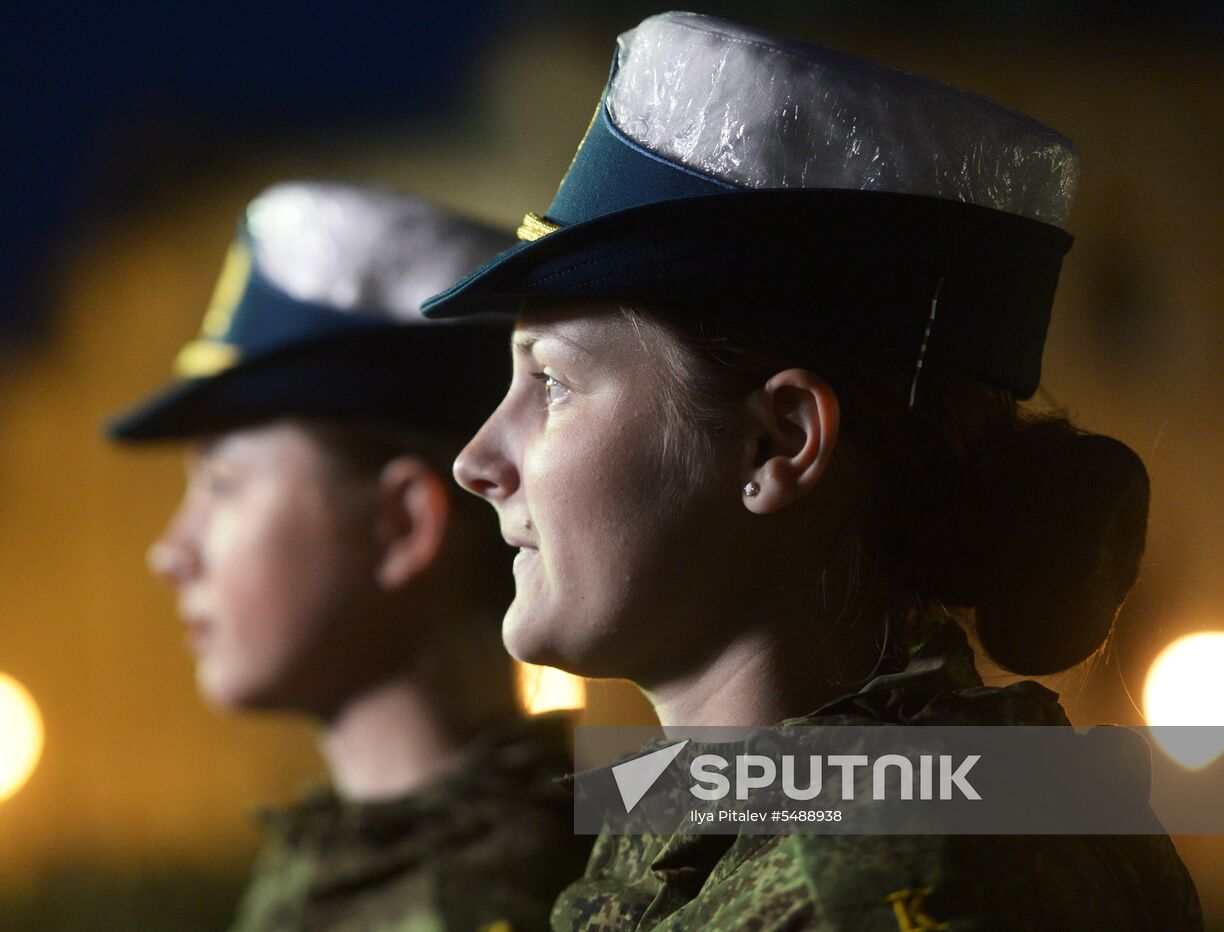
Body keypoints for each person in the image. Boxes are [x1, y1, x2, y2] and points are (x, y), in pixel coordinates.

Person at [430, 13, 1203, 930]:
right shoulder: (762, 821)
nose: (476, 460)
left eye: (552, 381)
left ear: (778, 442)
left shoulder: (883, 883)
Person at [107, 181, 592, 931]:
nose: (172, 551)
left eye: (224, 486)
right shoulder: (342, 857)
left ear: (401, 524)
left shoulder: (525, 893)